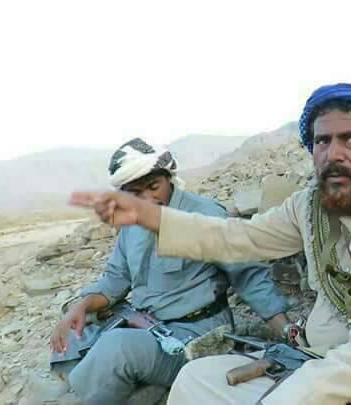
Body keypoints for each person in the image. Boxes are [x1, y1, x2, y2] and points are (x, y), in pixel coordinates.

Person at [70, 85, 351, 405]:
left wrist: (286, 397)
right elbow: (238, 238)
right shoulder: (311, 206)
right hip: (314, 363)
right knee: (196, 379)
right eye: (323, 141)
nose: (333, 154)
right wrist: (150, 217)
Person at [51, 138, 292, 404]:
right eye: (135, 194)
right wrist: (81, 307)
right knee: (74, 328)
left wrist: (288, 331)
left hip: (196, 336)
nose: (147, 200)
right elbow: (116, 278)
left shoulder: (204, 215)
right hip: (146, 325)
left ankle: (95, 389)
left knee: (116, 348)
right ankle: (109, 384)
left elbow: (248, 276)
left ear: (169, 178)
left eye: (154, 187)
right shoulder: (130, 223)